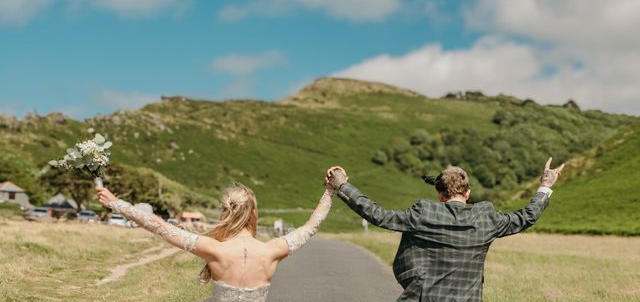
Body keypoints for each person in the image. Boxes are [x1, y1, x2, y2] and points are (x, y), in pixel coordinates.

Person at [325, 157, 564, 302]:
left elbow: (376, 214)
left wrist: (342, 185)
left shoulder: (423, 213)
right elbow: (527, 216)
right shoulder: (487, 217)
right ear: (468, 193)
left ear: (440, 194)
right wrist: (545, 185)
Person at [96, 181, 335, 302]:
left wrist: (117, 203)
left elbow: (161, 227)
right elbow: (310, 226)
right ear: (253, 214)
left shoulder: (214, 250)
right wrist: (330, 191)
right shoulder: (271, 251)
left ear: (226, 212)